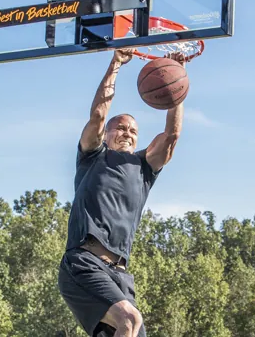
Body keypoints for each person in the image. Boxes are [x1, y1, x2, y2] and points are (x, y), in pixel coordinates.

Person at [58, 48, 186, 337]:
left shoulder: (144, 168)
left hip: (119, 275)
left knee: (132, 327)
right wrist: (115, 65)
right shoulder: (94, 156)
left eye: (133, 131)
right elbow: (98, 115)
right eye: (121, 128)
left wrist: (176, 88)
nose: (127, 133)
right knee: (129, 319)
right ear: (107, 133)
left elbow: (172, 136)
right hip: (83, 262)